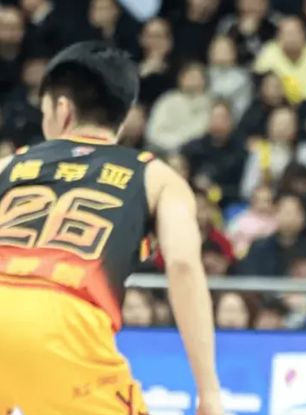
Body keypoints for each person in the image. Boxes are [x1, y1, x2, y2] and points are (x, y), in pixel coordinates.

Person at [0, 41, 223, 415]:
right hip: (63, 323)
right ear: (123, 113)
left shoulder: (9, 164)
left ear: (62, 110)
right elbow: (184, 265)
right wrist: (209, 392)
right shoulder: (157, 176)